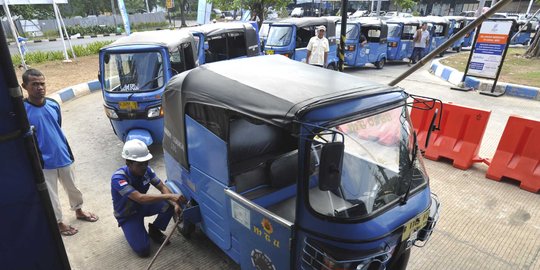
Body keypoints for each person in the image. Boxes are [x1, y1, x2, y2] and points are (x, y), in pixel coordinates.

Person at [22, 68, 98, 237]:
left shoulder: (53, 104)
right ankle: (59, 222)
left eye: (42, 84)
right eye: (34, 84)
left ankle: (79, 211)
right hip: (43, 162)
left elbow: (57, 126)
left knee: (73, 188)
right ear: (24, 86)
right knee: (51, 195)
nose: (40, 88)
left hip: (64, 155)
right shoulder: (23, 110)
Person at [111, 139, 185, 257]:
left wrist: (175, 203)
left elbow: (162, 186)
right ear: (128, 163)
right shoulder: (118, 179)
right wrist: (171, 196)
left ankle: (154, 230)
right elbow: (140, 198)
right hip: (128, 214)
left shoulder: (147, 171)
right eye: (140, 164)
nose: (144, 166)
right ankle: (131, 229)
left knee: (169, 205)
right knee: (143, 250)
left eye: (146, 162)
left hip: (143, 206)